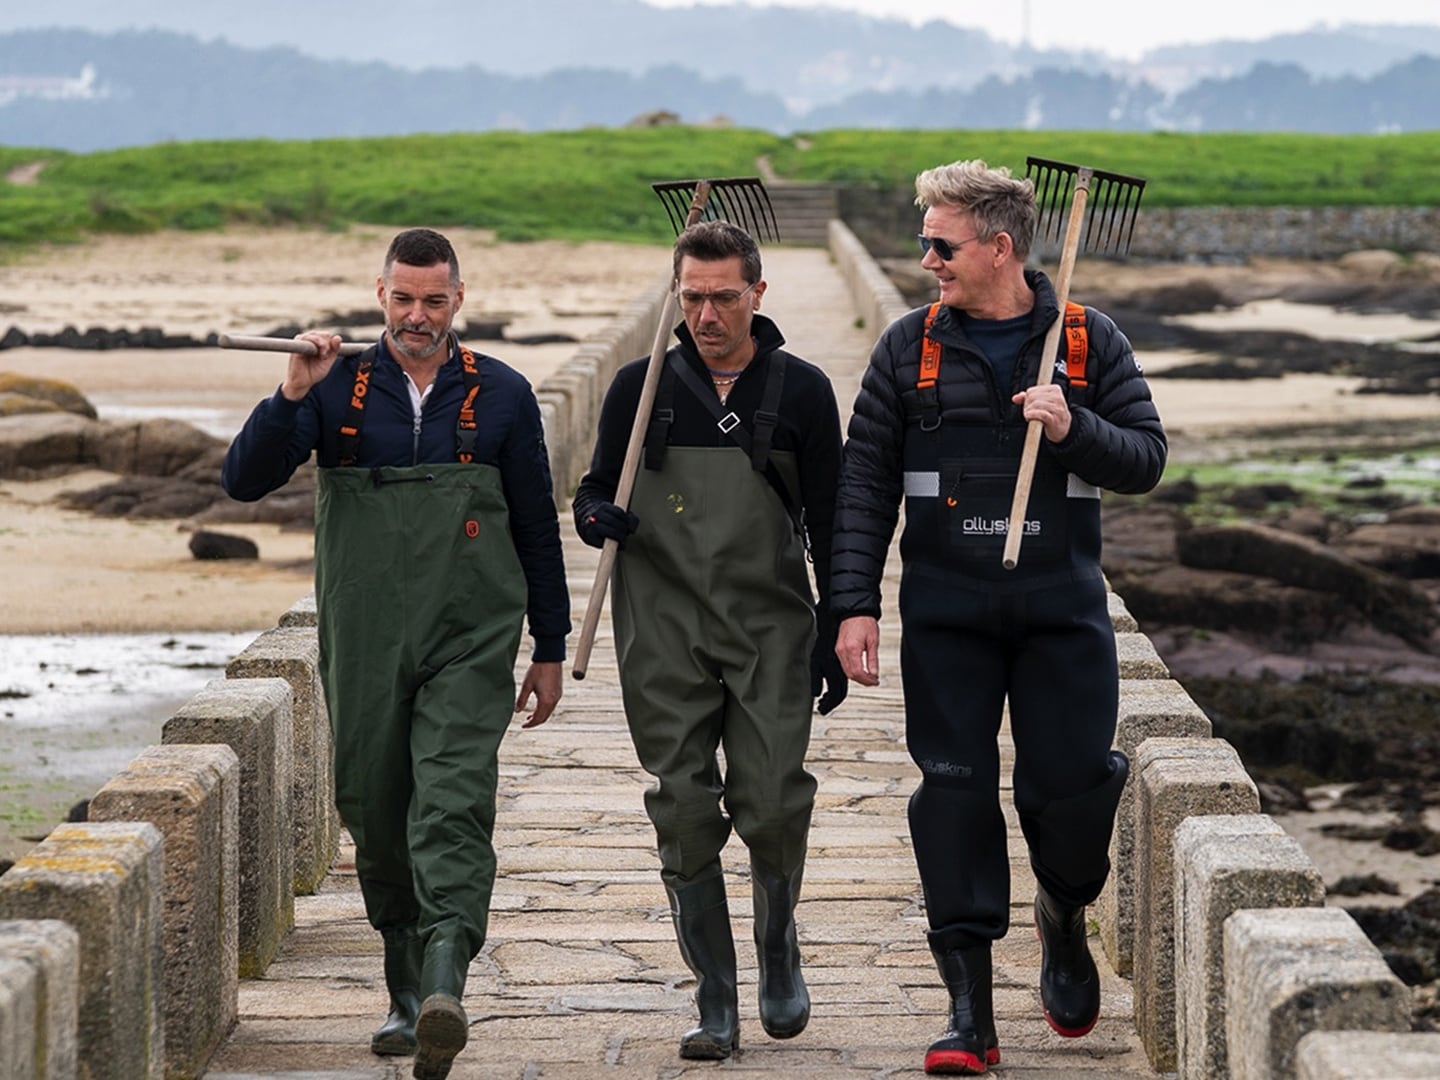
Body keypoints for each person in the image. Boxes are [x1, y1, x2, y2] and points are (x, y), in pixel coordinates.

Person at [829, 160, 1166, 1075]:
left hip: (1060, 609)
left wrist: (1073, 428)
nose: (926, 257)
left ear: (999, 247)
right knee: (952, 795)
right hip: (945, 612)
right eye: (924, 241)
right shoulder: (908, 347)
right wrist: (852, 603)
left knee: (1071, 788)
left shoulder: (1089, 341)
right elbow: (863, 481)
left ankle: (1063, 910)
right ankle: (968, 1012)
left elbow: (1146, 460)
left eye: (941, 243)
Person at [222, 227, 570, 1080]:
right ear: (380, 294)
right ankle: (403, 992)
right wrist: (287, 392)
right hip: (366, 631)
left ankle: (445, 977)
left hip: (471, 633)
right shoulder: (332, 382)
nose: (419, 316)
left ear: (460, 299)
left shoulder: (505, 395)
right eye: (404, 299)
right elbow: (243, 480)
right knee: (375, 810)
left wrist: (550, 645)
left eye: (436, 300)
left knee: (451, 802)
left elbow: (534, 523)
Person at [572, 219, 846, 1060]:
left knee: (771, 800)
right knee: (685, 809)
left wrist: (838, 622)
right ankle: (716, 1000)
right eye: (691, 297)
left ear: (759, 294)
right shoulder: (638, 387)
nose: (707, 313)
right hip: (662, 626)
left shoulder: (799, 391)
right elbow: (591, 493)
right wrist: (593, 517)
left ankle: (777, 949)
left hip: (769, 623)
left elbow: (835, 521)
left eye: (725, 296)